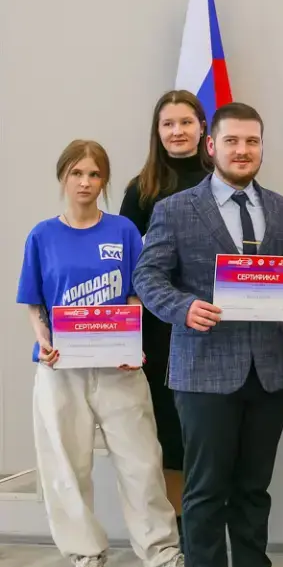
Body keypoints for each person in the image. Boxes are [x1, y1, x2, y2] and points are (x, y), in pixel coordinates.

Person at [133, 102, 283, 567]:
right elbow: (147, 278)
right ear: (211, 146)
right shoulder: (175, 209)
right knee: (205, 487)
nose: (243, 151)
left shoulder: (282, 209)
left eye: (252, 141)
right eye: (233, 141)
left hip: (267, 369)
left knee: (254, 488)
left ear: (261, 147)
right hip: (203, 369)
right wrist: (183, 308)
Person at [20, 140, 186, 567]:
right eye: (77, 173)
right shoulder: (42, 236)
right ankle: (85, 557)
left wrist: (130, 341)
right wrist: (43, 341)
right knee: (66, 467)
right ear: (63, 177)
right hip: (61, 370)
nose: (85, 183)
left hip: (119, 366)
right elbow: (34, 303)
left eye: (94, 175)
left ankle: (160, 557)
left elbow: (135, 295)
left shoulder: (123, 231)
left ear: (104, 181)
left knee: (142, 464)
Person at [120, 89, 209, 514]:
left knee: (208, 431)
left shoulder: (220, 180)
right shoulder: (142, 189)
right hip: (158, 332)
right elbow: (125, 265)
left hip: (211, 323)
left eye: (186, 122)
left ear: (203, 128)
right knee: (170, 434)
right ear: (157, 132)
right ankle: (178, 529)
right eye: (168, 124)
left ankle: (206, 528)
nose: (177, 131)